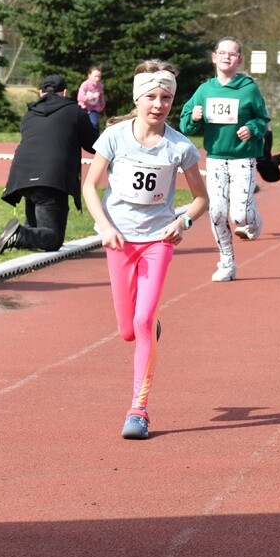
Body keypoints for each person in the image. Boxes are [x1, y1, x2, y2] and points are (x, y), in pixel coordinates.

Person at [81, 59, 209, 440]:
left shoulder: (179, 147)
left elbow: (201, 199)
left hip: (157, 241)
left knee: (140, 322)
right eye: (151, 96)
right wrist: (104, 227)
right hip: (119, 240)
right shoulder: (115, 138)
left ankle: (139, 409)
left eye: (166, 97)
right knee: (127, 330)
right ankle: (146, 327)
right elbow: (90, 186)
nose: (158, 104)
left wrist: (182, 222)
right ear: (137, 98)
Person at [179, 36, 271, 282]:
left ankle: (255, 218)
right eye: (222, 53)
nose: (226, 57)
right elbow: (185, 123)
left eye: (232, 54)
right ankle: (227, 262)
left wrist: (252, 128)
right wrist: (194, 117)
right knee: (217, 212)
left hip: (243, 158)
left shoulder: (249, 88)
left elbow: (263, 120)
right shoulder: (205, 90)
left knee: (240, 215)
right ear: (214, 57)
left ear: (239, 59)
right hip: (216, 159)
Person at [0, 74, 97, 254]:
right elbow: (94, 145)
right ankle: (20, 234)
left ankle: (23, 231)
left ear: (41, 92)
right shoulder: (76, 111)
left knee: (37, 224)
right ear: (64, 92)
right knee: (54, 239)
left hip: (21, 176)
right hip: (52, 178)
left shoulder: (29, 114)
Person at [76, 65, 105, 132]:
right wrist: (92, 96)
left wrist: (101, 106)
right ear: (89, 75)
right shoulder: (85, 84)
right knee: (82, 124)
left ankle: (95, 139)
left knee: (94, 124)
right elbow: (80, 97)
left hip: (94, 108)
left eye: (99, 77)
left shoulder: (100, 86)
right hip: (83, 107)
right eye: (95, 76)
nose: (97, 79)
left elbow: (101, 97)